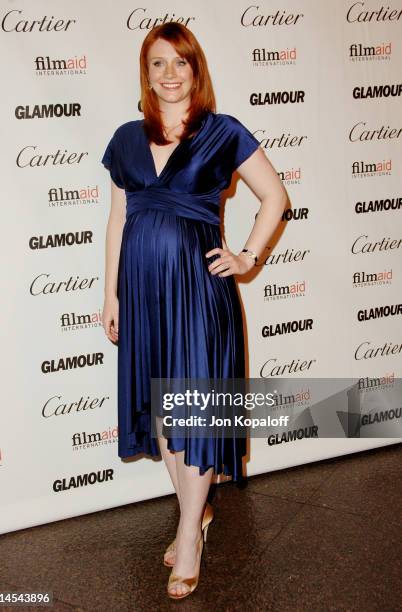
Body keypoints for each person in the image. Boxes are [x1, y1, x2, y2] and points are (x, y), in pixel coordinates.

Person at [101, 22, 287, 599]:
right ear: (146, 73)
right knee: (164, 416)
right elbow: (118, 220)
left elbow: (275, 197)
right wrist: (110, 294)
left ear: (195, 70)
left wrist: (247, 258)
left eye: (180, 63)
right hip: (143, 294)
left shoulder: (221, 132)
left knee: (196, 414)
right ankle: (196, 513)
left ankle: (188, 534)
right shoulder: (127, 139)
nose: (170, 74)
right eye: (158, 64)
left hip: (198, 294)